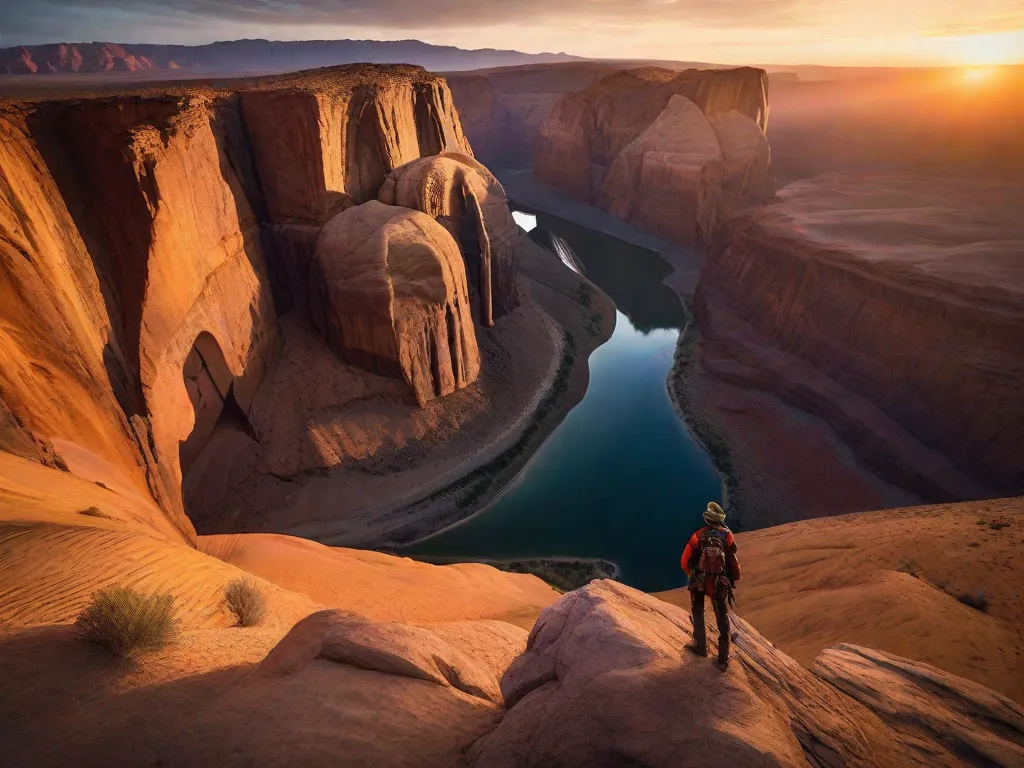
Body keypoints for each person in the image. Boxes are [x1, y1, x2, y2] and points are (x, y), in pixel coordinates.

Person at [681, 501, 741, 670]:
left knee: (698, 612)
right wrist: (731, 579)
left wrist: (693, 576)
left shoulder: (698, 535)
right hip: (718, 583)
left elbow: (684, 561)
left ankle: (700, 648)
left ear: (707, 520)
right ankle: (723, 659)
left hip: (699, 581)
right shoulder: (727, 536)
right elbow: (733, 563)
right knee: (722, 619)